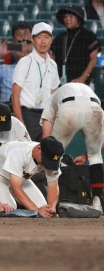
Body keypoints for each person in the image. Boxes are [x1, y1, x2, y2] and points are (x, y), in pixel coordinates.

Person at [41, 83, 104, 212]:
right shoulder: (90, 92)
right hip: (95, 108)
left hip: (68, 109)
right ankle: (97, 202)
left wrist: (47, 155)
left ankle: (50, 203)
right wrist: (85, 156)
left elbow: (46, 141)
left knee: (52, 155)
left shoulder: (52, 98)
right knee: (96, 157)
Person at [0, 136, 64, 218]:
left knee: (43, 208)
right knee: (9, 209)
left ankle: (22, 206)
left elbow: (53, 186)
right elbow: (16, 188)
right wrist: (36, 210)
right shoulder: (18, 152)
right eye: (45, 159)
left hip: (19, 177)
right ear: (39, 148)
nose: (47, 163)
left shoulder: (52, 156)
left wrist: (52, 209)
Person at [12, 22, 59, 142]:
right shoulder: (25, 62)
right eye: (39, 37)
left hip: (47, 116)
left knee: (47, 153)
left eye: (46, 37)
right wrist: (20, 123)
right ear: (33, 40)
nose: (43, 42)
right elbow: (15, 95)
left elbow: (54, 95)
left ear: (51, 40)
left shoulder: (53, 65)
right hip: (28, 115)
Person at [51, 5, 101, 85]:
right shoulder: (60, 38)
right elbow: (53, 58)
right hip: (61, 83)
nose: (67, 19)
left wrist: (83, 78)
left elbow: (93, 59)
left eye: (71, 16)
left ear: (79, 19)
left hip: (83, 83)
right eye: (65, 17)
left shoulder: (88, 36)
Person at [0, 38, 33, 104]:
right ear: (14, 53)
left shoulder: (37, 70)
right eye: (20, 51)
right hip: (7, 108)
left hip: (29, 107)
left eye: (28, 52)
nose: (24, 55)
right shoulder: (4, 69)